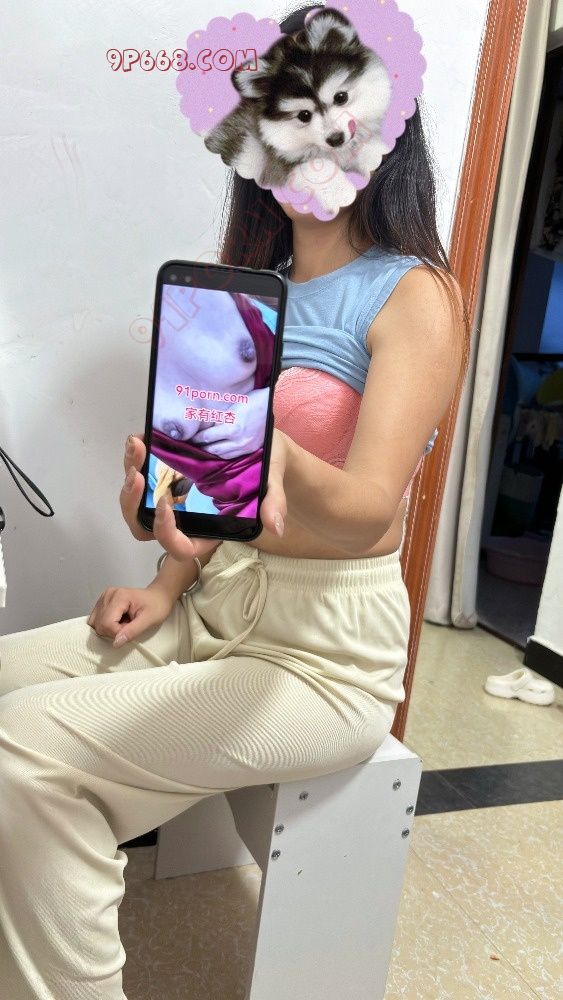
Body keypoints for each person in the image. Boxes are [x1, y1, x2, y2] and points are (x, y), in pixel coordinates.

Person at [0, 7, 468, 998]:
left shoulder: (413, 295)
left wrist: (269, 452)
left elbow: (365, 511)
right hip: (215, 608)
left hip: (324, 653)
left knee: (24, 754)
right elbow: (216, 499)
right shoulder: (248, 289)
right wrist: (164, 556)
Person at [151, 290, 275, 517]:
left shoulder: (206, 287)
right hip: (238, 503)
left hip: (298, 433)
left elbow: (300, 361)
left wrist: (274, 404)